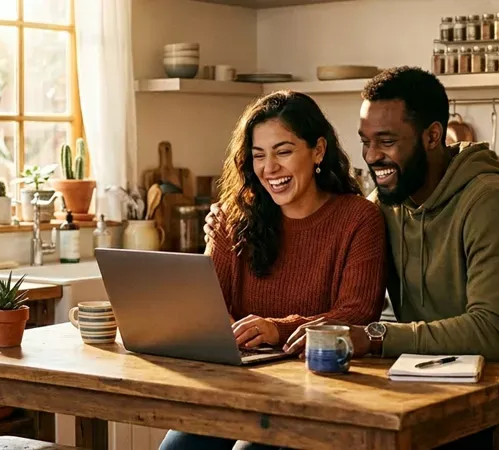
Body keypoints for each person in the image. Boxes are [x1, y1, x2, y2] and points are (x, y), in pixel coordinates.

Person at [205, 67, 499, 449]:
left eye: (387, 141)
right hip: (425, 386)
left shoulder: (493, 203)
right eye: (365, 141)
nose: (372, 156)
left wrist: (375, 336)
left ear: (432, 136)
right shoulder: (386, 206)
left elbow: (493, 336)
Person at [159, 90, 388, 450]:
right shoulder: (232, 218)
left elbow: (356, 314)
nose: (270, 168)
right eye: (259, 155)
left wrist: (275, 329)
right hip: (236, 385)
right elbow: (208, 308)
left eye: (283, 151)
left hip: (319, 393)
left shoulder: (359, 218)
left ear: (318, 151)